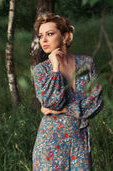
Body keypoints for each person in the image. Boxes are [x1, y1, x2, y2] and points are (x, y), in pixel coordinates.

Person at [32, 13, 103, 170]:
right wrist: (55, 69)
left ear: (65, 36)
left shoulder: (86, 63)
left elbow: (96, 102)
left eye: (49, 34)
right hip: (50, 144)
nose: (43, 40)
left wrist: (65, 109)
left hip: (79, 141)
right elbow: (53, 102)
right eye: (41, 36)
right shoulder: (41, 70)